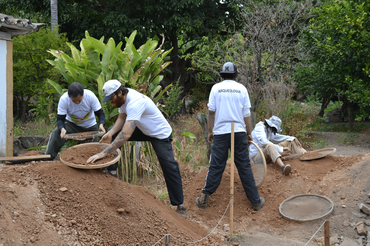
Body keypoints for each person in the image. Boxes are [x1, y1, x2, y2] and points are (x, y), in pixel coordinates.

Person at [86, 79, 187, 218]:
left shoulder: (135, 101)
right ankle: (112, 173)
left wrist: (104, 153)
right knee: (113, 131)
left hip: (159, 134)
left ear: (120, 92)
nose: (110, 101)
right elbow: (121, 120)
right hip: (144, 129)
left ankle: (179, 205)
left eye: (112, 98)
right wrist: (109, 134)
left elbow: (126, 134)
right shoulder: (123, 100)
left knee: (169, 166)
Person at [195, 62, 265, 211]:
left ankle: (204, 199)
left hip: (220, 133)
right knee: (244, 166)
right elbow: (246, 114)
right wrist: (249, 133)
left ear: (222, 74)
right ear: (235, 74)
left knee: (216, 165)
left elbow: (211, 112)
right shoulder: (242, 89)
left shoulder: (216, 88)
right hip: (239, 132)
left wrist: (209, 131)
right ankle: (256, 201)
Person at [45, 82, 106, 160]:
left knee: (92, 149)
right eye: (74, 101)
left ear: (83, 95)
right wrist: (62, 129)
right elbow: (60, 119)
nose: (77, 102)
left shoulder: (90, 96)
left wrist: (101, 124)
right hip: (71, 125)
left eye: (79, 100)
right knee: (56, 133)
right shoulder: (64, 99)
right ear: (69, 96)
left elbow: (100, 114)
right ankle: (47, 159)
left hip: (90, 126)